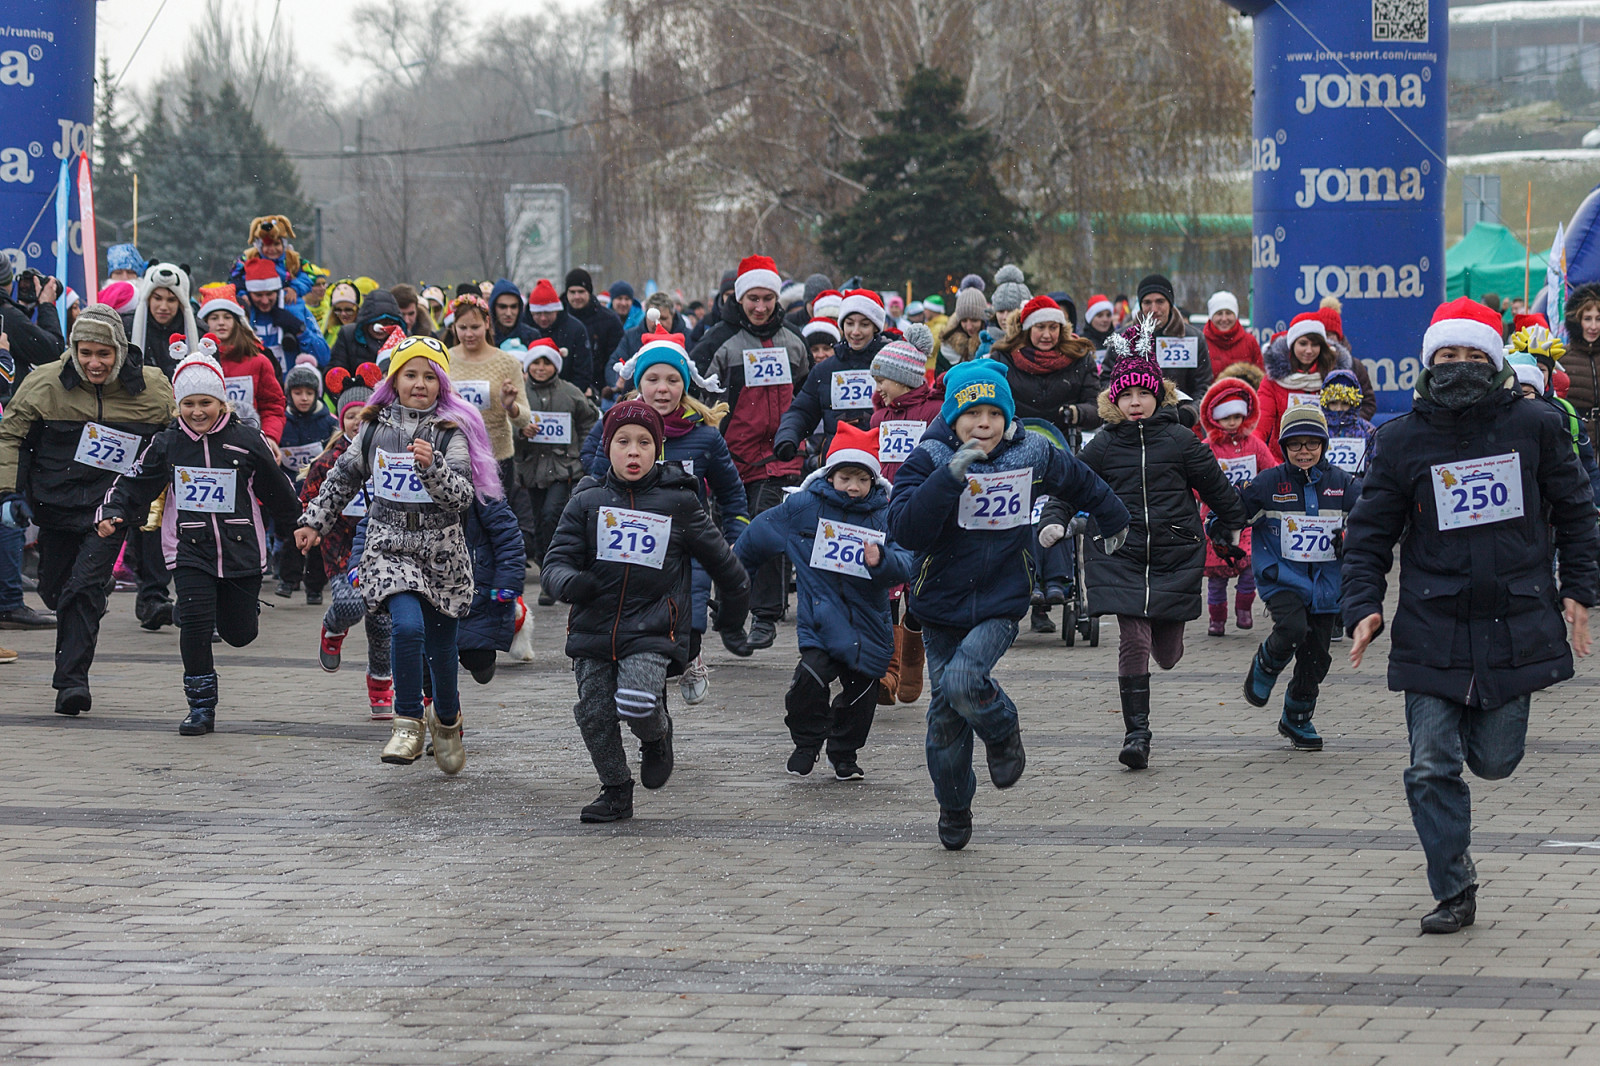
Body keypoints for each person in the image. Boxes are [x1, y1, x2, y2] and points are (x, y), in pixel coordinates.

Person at [1342, 297, 1599, 935]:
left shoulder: (1536, 425)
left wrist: (1579, 590)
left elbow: (1575, 510)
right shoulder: (1401, 439)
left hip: (1518, 620)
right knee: (1431, 764)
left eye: (1473, 354)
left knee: (1496, 760)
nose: (1460, 365)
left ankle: (1472, 758)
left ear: (1496, 360)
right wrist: (1364, 606)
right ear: (1429, 362)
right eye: (1447, 356)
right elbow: (1370, 533)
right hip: (1432, 626)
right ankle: (1454, 887)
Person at [888, 360, 1129, 849]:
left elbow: (1081, 481)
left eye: (994, 413)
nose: (984, 424)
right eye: (972, 413)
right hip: (938, 605)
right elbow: (905, 527)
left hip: (1001, 598)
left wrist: (1113, 516)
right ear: (952, 419)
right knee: (945, 718)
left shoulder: (1032, 451)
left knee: (962, 683)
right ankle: (954, 807)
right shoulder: (931, 456)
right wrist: (949, 478)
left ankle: (1001, 728)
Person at [296, 335, 505, 774]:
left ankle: (447, 721)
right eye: (410, 374)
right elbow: (340, 478)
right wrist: (314, 522)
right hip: (389, 546)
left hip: (442, 553)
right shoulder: (372, 428)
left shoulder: (452, 432)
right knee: (406, 628)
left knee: (443, 648)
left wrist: (433, 468)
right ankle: (407, 721)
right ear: (394, 380)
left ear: (443, 384)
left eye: (430, 376)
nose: (419, 384)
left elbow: (462, 497)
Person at [542, 400, 752, 823]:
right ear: (609, 447)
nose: (633, 451)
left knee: (637, 701)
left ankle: (657, 735)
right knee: (596, 714)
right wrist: (570, 583)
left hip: (653, 627)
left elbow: (728, 569)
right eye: (623, 442)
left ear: (658, 450)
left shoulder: (679, 502)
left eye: (644, 443)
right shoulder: (587, 500)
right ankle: (616, 790)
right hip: (593, 628)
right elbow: (554, 564)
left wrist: (731, 619)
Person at [94, 348, 300, 735]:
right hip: (188, 548)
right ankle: (201, 708)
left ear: (221, 402)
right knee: (194, 624)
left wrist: (302, 527)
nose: (197, 412)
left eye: (205, 402)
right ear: (178, 405)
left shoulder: (245, 440)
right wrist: (112, 511)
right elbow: (134, 482)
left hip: (241, 549)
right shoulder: (168, 444)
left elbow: (278, 491)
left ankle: (238, 614)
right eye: (188, 404)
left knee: (240, 634)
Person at [1076, 333, 1247, 772]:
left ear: (1159, 396)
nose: (1135, 403)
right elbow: (1073, 482)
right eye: (1126, 395)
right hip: (1121, 552)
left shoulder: (1180, 440)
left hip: (1175, 553)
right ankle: (1137, 734)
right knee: (1132, 638)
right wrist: (1055, 516)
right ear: (1115, 401)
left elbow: (1218, 489)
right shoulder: (1105, 443)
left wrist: (1235, 523)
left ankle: (1164, 632)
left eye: (1143, 394)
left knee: (1167, 654)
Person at [0, 304, 176, 711]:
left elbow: (181, 431)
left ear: (119, 350)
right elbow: (10, 436)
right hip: (55, 503)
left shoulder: (151, 388)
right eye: (85, 353)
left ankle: (71, 683)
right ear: (74, 350)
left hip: (112, 507)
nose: (94, 363)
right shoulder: (44, 383)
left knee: (81, 589)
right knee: (55, 590)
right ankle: (92, 592)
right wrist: (10, 494)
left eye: (104, 354)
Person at [580, 325, 749, 704]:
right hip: (635, 548)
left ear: (685, 386)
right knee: (648, 634)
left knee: (690, 622)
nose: (662, 388)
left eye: (673, 380)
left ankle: (692, 656)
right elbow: (593, 475)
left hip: (691, 546)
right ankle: (652, 705)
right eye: (653, 379)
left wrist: (736, 529)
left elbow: (731, 491)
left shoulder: (704, 436)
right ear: (639, 383)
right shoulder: (618, 426)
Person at [737, 423, 911, 780]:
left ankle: (844, 754)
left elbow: (906, 561)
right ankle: (806, 742)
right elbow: (755, 537)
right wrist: (733, 578)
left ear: (873, 482)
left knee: (861, 696)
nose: (853, 487)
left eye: (862, 480)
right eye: (845, 477)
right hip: (820, 621)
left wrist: (883, 561)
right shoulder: (802, 507)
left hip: (870, 626)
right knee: (807, 684)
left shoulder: (886, 514)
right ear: (830, 475)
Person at [693, 256, 810, 649]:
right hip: (732, 458)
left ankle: (764, 614)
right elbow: (696, 398)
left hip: (782, 456)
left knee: (768, 527)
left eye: (767, 299)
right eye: (752, 299)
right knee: (735, 537)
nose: (760, 307)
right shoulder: (717, 342)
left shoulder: (795, 340)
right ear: (739, 298)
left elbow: (807, 395)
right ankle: (730, 615)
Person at [1233, 406, 1359, 751]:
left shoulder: (1343, 484)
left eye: (1311, 444)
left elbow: (1371, 521)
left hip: (1327, 586)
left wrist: (1350, 539)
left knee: (1317, 657)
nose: (1304, 452)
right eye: (1295, 445)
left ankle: (1297, 716)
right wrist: (1221, 533)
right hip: (1282, 578)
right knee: (1292, 629)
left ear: (1324, 445)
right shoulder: (1269, 483)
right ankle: (1266, 664)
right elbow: (1234, 512)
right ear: (1284, 447)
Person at [987, 294, 1103, 634]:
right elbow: (993, 394)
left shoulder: (1079, 358)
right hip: (1015, 446)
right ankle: (1029, 581)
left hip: (1060, 445)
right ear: (1026, 329)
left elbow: (1097, 403)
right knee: (1020, 514)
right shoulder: (1003, 357)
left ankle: (1058, 579)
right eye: (1040, 327)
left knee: (1053, 510)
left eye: (1054, 327)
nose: (1047, 334)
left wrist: (1078, 413)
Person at [304, 363, 395, 719]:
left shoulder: (388, 454)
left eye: (366, 414)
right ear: (341, 419)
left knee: (382, 624)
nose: (358, 421)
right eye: (352, 415)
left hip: (383, 551)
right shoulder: (329, 462)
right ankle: (333, 625)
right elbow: (309, 502)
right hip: (341, 553)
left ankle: (381, 685)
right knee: (352, 605)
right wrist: (309, 526)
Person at [867, 339, 943, 704]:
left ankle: (913, 655)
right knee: (887, 589)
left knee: (918, 593)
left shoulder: (934, 413)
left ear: (906, 379)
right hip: (885, 508)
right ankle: (889, 669)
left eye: (883, 379)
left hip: (921, 510)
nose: (878, 386)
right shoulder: (879, 416)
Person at [514, 338, 599, 597]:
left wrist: (583, 453)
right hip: (529, 469)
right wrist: (521, 431)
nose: (541, 368)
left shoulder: (571, 392)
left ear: (556, 366)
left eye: (547, 363)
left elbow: (591, 420)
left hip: (563, 468)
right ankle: (546, 570)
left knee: (553, 515)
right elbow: (502, 427)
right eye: (536, 363)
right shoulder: (519, 394)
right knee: (538, 520)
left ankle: (551, 573)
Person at [774, 289, 891, 466]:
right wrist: (788, 435)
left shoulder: (892, 365)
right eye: (850, 324)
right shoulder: (825, 370)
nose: (856, 332)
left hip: (882, 461)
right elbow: (803, 410)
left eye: (864, 325)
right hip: (836, 462)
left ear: (876, 327)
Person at [1198, 373, 1276, 636]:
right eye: (1226, 417)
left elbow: (1270, 471)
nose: (1232, 422)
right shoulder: (1207, 448)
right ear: (1214, 418)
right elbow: (1196, 480)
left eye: (1236, 416)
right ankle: (1216, 619)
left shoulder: (1255, 444)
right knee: (1217, 577)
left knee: (1250, 567)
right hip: (1216, 520)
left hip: (1249, 519)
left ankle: (1244, 608)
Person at [1099, 275, 1213, 422]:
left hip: (1179, 424)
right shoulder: (1123, 338)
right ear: (1140, 305)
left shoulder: (1193, 338)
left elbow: (1203, 385)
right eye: (1147, 302)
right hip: (1132, 424)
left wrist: (1190, 411)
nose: (1154, 309)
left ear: (1170, 303)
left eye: (1160, 302)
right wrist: (1122, 410)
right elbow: (1107, 382)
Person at [445, 293, 531, 478]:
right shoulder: (444, 360)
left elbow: (524, 419)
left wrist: (510, 406)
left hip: (497, 456)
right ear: (454, 328)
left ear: (486, 323)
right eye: (463, 327)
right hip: (454, 454)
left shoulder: (508, 362)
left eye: (475, 327)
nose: (469, 334)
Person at [275, 359, 339, 601]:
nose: (303, 398)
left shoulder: (328, 422)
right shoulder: (282, 421)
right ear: (289, 393)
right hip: (291, 490)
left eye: (309, 393)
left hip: (320, 494)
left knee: (318, 539)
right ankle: (288, 579)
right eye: (297, 392)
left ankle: (314, 586)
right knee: (293, 535)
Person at [197, 287, 287, 447]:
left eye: (227, 317)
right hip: (203, 445)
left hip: (249, 444)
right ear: (204, 323)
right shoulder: (194, 363)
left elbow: (272, 406)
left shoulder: (259, 361)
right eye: (214, 317)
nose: (221, 322)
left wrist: (270, 437)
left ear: (238, 322)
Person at [1255, 313, 1341, 459]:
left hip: (1325, 462)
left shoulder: (1334, 377)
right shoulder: (1273, 381)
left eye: (1315, 345)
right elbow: (1260, 427)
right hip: (1282, 461)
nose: (1309, 351)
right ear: (1292, 344)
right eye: (1303, 343)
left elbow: (1344, 421)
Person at [240, 259, 329, 375]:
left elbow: (323, 357)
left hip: (290, 389)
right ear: (249, 293)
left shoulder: (296, 309)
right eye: (258, 295)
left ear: (278, 291)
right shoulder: (242, 315)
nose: (265, 301)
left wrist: (299, 329)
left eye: (270, 294)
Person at [522, 278, 594, 394]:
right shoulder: (524, 328)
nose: (543, 318)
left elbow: (583, 371)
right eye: (538, 314)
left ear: (557, 310)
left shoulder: (575, 329)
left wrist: (569, 396)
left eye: (548, 313)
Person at [128, 263, 199, 376]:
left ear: (180, 302)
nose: (163, 307)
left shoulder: (199, 332)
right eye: (157, 298)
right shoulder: (127, 328)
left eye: (171, 300)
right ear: (148, 298)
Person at [227, 215, 315, 299]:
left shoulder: (293, 259)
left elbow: (309, 276)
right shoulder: (249, 258)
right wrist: (243, 294)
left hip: (287, 301)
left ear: (283, 245)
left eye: (276, 244)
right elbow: (234, 279)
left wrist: (295, 288)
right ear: (260, 247)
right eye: (267, 245)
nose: (272, 249)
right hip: (257, 302)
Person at [328, 288, 405, 376]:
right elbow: (334, 369)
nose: (381, 328)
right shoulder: (348, 335)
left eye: (386, 323)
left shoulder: (404, 340)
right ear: (366, 322)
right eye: (375, 323)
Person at [1559, 283, 1600, 446]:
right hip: (1578, 442)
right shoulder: (1562, 357)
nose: (1593, 326)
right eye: (1587, 319)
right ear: (1577, 321)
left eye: (1599, 319)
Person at [1319, 368, 1378, 478]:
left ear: (1354, 403)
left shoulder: (1368, 431)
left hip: (1358, 491)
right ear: (1325, 403)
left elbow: (1376, 470)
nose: (1339, 408)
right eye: (1333, 403)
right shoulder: (1317, 430)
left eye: (1345, 403)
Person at [1202, 291, 1262, 378]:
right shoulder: (1202, 342)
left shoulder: (1250, 342)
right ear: (1211, 317)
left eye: (1228, 313)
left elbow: (1260, 375)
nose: (1224, 318)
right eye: (1219, 314)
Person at [936, 287, 989, 369]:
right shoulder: (947, 347)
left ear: (983, 321)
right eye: (964, 321)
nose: (969, 327)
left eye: (974, 320)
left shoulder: (993, 344)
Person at [323, 280, 361, 348]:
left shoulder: (364, 334)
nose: (343, 314)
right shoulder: (327, 333)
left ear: (358, 309)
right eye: (338, 310)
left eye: (348, 310)